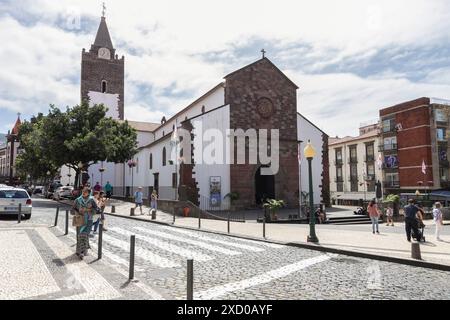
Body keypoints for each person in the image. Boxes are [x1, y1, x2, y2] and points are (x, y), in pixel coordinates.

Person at [72, 187, 100, 259]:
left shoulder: (92, 200)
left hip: (89, 220)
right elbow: (72, 210)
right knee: (79, 235)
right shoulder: (78, 200)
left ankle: (83, 252)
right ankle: (79, 251)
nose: (83, 192)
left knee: (85, 235)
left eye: (85, 191)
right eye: (83, 191)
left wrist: (87, 209)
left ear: (89, 192)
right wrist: (78, 212)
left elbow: (96, 209)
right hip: (80, 220)